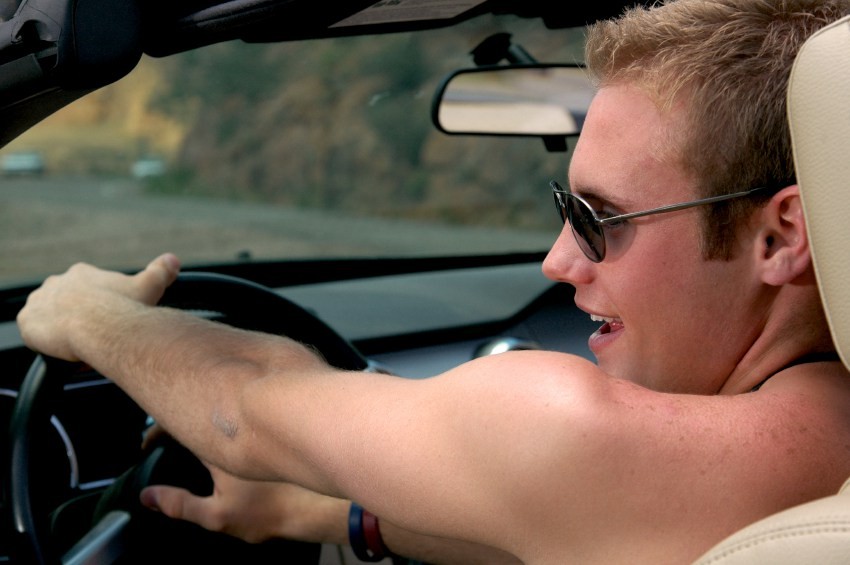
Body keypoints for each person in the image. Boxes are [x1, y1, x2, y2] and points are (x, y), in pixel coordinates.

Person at [16, 0, 850, 562]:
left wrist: (93, 316)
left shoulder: (581, 432)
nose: (558, 261)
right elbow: (563, 518)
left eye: (601, 218)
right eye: (564, 208)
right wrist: (322, 513)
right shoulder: (801, 448)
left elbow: (245, 407)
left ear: (780, 236)